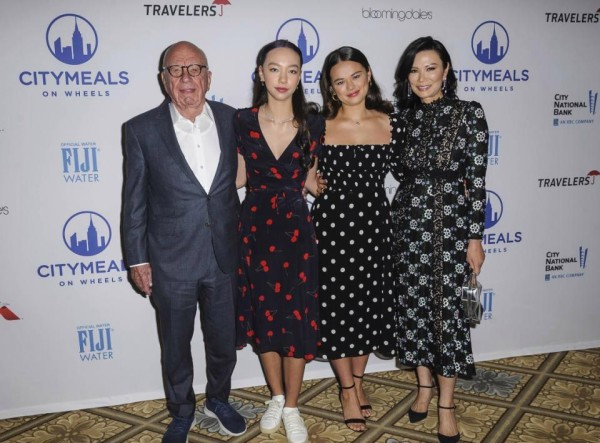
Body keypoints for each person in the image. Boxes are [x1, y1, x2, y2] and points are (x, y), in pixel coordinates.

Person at [122, 41, 246, 442]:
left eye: (194, 69)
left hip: (224, 255)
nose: (186, 78)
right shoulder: (140, 130)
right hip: (170, 261)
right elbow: (134, 201)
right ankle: (181, 410)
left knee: (223, 342)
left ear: (208, 77)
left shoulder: (233, 120)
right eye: (176, 70)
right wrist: (137, 259)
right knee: (175, 346)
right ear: (164, 80)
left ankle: (219, 399)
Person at [390, 36, 488, 443]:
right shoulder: (401, 118)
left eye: (430, 68)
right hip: (408, 224)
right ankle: (423, 388)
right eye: (414, 70)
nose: (422, 78)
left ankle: (446, 405)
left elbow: (477, 180)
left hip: (451, 225)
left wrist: (475, 237)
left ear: (446, 70)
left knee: (449, 315)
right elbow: (394, 168)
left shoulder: (469, 113)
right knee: (414, 308)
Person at [235, 40, 323, 443]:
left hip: (296, 231)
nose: (283, 78)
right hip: (254, 228)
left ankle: (292, 406)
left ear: (300, 76)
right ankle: (275, 396)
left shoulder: (313, 124)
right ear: (261, 73)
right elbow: (237, 177)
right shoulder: (241, 121)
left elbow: (312, 180)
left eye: (292, 70)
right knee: (264, 314)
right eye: (274, 68)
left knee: (296, 317)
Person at [311, 46, 398, 432]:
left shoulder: (390, 121)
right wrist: (310, 183)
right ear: (330, 88)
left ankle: (358, 381)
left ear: (368, 75)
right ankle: (347, 390)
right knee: (336, 307)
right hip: (331, 229)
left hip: (376, 227)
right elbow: (298, 169)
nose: (350, 86)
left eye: (356, 76)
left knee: (367, 305)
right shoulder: (319, 125)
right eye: (340, 81)